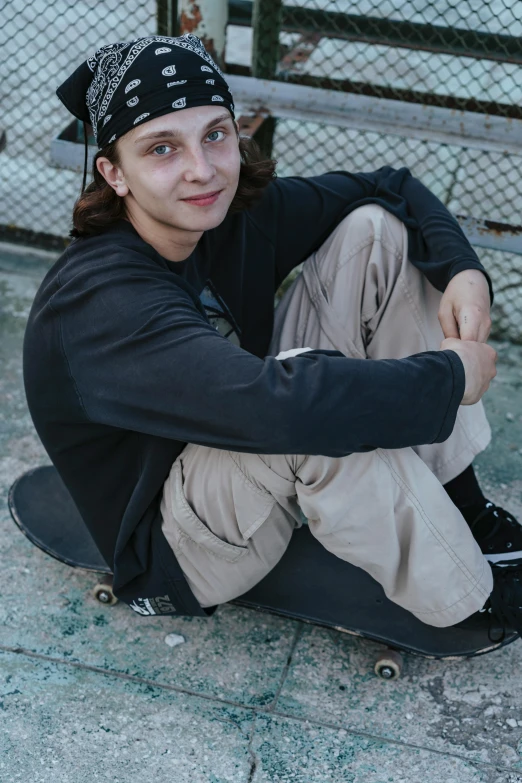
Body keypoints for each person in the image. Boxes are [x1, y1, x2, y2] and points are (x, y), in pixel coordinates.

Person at [23, 33, 522, 637]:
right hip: (179, 544)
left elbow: (389, 186)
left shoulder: (227, 214)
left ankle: (464, 507)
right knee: (310, 411)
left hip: (239, 434)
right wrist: (449, 378)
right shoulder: (100, 303)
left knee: (374, 233)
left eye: (215, 134)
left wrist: (466, 274)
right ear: (114, 172)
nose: (201, 170)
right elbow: (283, 404)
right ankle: (471, 593)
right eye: (162, 148)